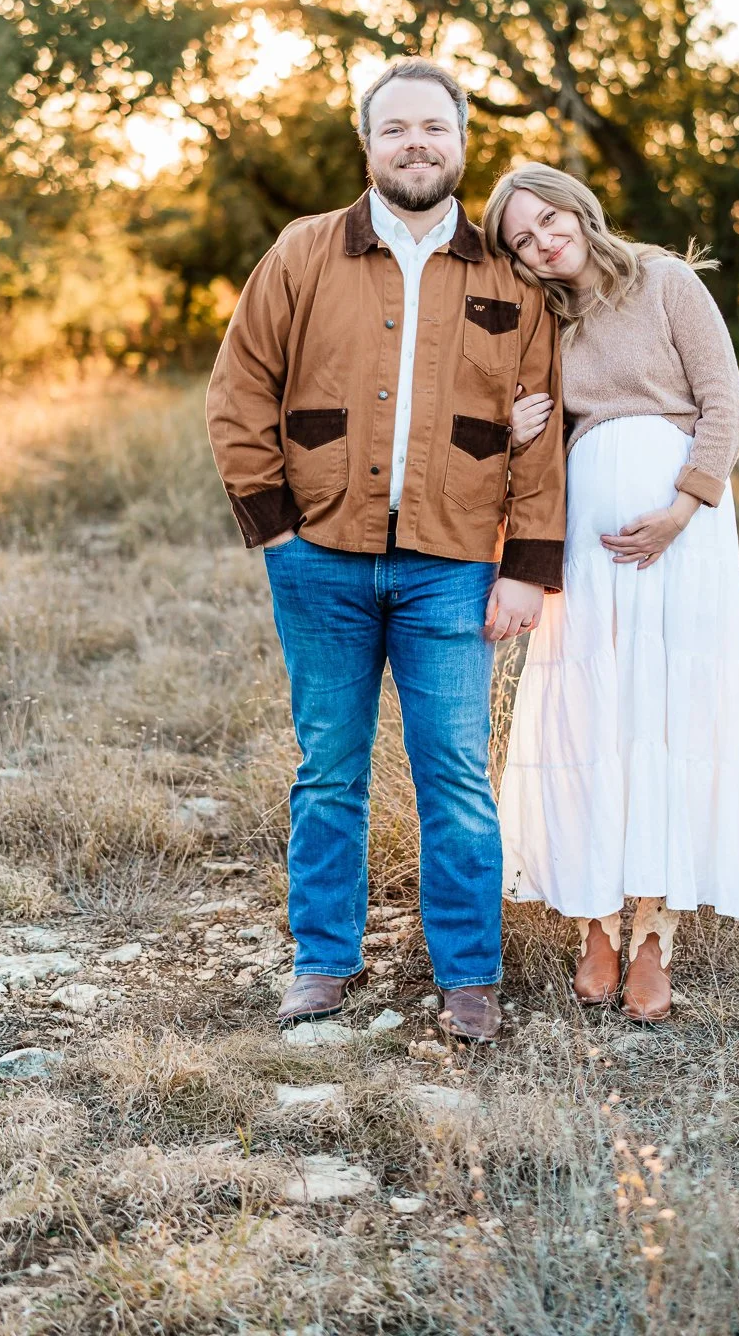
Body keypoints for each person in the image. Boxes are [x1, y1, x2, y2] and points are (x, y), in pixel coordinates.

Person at [206, 62, 566, 1043]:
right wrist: (274, 528)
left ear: (461, 145)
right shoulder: (304, 252)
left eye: (435, 129)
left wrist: (528, 568)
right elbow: (239, 391)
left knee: (454, 773)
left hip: (453, 567)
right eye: (395, 128)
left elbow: (542, 439)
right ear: (366, 145)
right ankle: (323, 962)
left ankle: (468, 978)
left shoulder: (509, 273)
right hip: (317, 555)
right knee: (328, 771)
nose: (417, 144)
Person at [483, 164, 739, 1024]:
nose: (544, 241)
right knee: (592, 715)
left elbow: (726, 407)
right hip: (585, 535)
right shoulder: (541, 317)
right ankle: (596, 925)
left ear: (578, 208)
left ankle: (655, 933)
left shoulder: (666, 281)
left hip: (678, 536)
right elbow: (517, 418)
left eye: (550, 220)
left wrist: (681, 508)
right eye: (523, 239)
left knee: (666, 711)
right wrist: (515, 427)